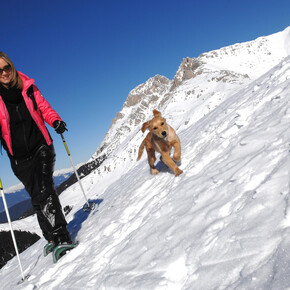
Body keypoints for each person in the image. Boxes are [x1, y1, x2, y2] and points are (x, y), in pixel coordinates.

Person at [0, 52, 73, 258]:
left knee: (45, 189)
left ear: (11, 68)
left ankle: (62, 237)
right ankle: (50, 237)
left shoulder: (28, 87)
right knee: (36, 198)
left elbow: (44, 108)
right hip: (19, 159)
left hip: (41, 146)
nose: (4, 73)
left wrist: (55, 120)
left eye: (6, 68)